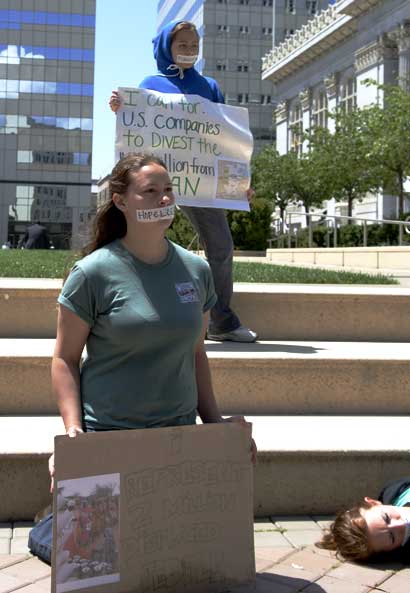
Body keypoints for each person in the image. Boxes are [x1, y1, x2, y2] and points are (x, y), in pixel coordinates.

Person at [29, 152, 256, 564]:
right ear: (120, 200)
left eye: (168, 190)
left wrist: (216, 425)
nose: (163, 199)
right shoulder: (92, 273)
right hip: (110, 435)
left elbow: (196, 353)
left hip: (176, 437)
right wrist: (73, 433)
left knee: (171, 558)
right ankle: (53, 524)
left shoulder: (196, 270)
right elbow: (63, 359)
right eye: (149, 191)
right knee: (95, 561)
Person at [109, 20, 257, 343]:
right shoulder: (150, 83)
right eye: (182, 46)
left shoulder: (209, 87)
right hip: (158, 183)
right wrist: (120, 107)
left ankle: (222, 320)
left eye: (194, 47)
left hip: (199, 181)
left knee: (221, 245)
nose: (189, 52)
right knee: (146, 243)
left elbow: (226, 139)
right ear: (167, 48)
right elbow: (136, 124)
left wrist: (241, 181)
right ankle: (142, 314)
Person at [316, 477, 410, 561]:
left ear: (374, 503)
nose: (400, 524)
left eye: (386, 517)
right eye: (392, 537)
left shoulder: (396, 490)